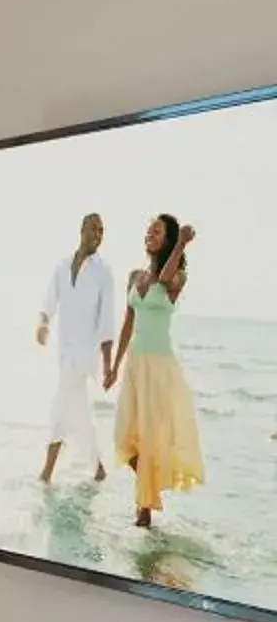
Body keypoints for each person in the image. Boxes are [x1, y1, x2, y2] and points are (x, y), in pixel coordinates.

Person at [111, 214, 203, 528]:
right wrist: (112, 366)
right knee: (125, 437)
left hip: (160, 366)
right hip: (136, 363)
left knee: (150, 436)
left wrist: (180, 244)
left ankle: (143, 511)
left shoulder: (178, 277)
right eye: (149, 228)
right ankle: (149, 488)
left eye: (157, 230)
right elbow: (127, 324)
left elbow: (164, 280)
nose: (149, 232)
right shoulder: (134, 276)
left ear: (168, 240)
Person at [36, 212, 117, 483]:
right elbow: (49, 300)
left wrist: (108, 365)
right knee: (79, 414)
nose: (98, 234)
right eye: (94, 229)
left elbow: (107, 321)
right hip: (65, 352)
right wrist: (43, 323)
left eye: (102, 231)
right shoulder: (61, 267)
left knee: (60, 405)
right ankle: (99, 470)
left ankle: (46, 474)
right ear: (82, 230)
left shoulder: (103, 272)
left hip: (85, 355)